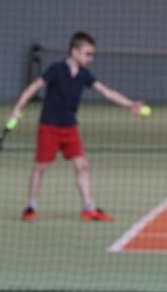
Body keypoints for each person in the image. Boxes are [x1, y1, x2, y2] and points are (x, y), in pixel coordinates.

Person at [8, 32, 146, 222]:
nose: (91, 58)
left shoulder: (84, 75)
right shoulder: (56, 69)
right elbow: (34, 87)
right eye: (88, 54)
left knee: (82, 165)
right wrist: (17, 108)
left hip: (70, 127)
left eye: (92, 55)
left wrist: (130, 104)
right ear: (75, 51)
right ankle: (30, 206)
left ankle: (89, 208)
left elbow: (106, 92)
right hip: (49, 126)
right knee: (41, 167)